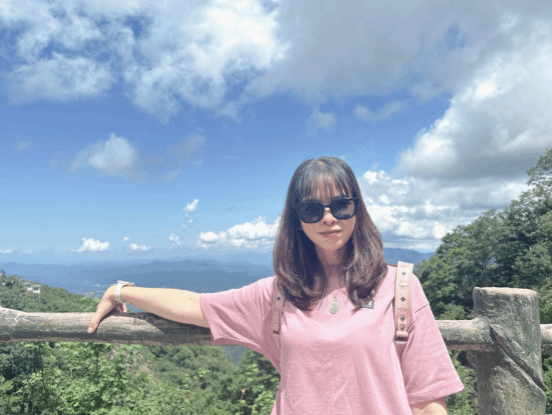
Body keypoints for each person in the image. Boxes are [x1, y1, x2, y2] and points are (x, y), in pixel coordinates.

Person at [88, 156, 464, 414]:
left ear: (357, 209)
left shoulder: (400, 287)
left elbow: (427, 399)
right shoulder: (279, 293)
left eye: (341, 205)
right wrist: (122, 290)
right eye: (312, 209)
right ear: (297, 220)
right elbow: (194, 305)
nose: (328, 218)